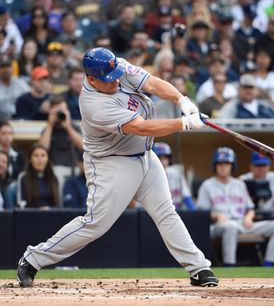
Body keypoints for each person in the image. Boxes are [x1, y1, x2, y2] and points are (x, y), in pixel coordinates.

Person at [17, 47, 218, 288]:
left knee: (166, 211)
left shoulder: (114, 66)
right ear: (91, 79)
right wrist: (183, 123)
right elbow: (142, 127)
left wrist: (181, 99)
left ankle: (199, 268)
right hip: (112, 163)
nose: (115, 81)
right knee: (94, 224)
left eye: (115, 75)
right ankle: (32, 259)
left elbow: (152, 84)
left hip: (144, 155)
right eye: (107, 80)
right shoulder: (94, 105)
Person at [197, 147, 274, 267]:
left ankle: (269, 265)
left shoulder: (239, 184)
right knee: (231, 226)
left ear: (232, 166)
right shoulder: (207, 185)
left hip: (242, 223)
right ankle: (230, 266)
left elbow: (250, 208)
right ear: (215, 166)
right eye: (220, 164)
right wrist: (216, 215)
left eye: (226, 164)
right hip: (219, 226)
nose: (223, 167)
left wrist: (248, 218)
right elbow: (201, 213)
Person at [153, 142, 196, 210]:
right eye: (159, 158)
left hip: (177, 212)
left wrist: (195, 214)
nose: (163, 161)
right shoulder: (148, 177)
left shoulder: (177, 174)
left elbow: (187, 198)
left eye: (165, 158)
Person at [16, 143, 60, 210]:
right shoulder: (23, 177)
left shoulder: (54, 178)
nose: (40, 159)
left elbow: (58, 205)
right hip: (30, 216)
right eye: (36, 155)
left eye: (43, 155)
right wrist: (38, 211)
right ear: (30, 159)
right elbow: (21, 204)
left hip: (51, 215)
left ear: (48, 159)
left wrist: (49, 209)